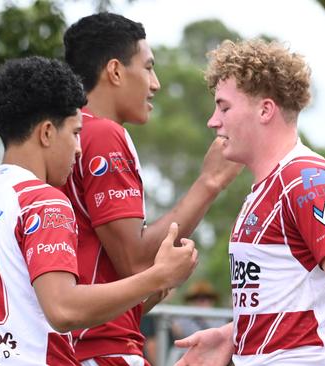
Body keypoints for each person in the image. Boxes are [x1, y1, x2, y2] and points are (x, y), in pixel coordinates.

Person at [0, 56, 197, 365]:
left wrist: (142, 294)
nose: (78, 148)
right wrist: (158, 275)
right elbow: (63, 309)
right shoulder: (43, 200)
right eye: (75, 133)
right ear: (47, 133)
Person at [173, 39, 325, 366]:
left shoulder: (308, 179)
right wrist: (232, 334)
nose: (213, 120)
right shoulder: (267, 185)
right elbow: (285, 295)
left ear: (265, 110)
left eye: (224, 107)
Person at [61, 13, 242, 365]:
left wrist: (158, 284)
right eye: (148, 68)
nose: (155, 83)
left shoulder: (72, 135)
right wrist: (210, 182)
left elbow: (109, 275)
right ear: (114, 71)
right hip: (102, 351)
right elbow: (136, 261)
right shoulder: (102, 133)